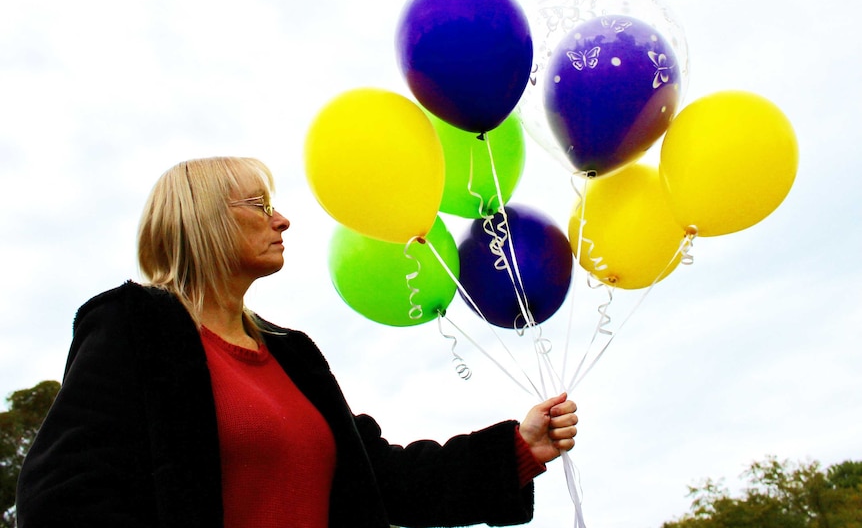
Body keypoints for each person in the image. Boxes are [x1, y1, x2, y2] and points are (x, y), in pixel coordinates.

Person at [16, 156, 578, 528]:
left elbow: (382, 479)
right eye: (259, 206)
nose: (282, 220)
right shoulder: (135, 327)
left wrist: (516, 449)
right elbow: (64, 497)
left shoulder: (294, 354)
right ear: (202, 219)